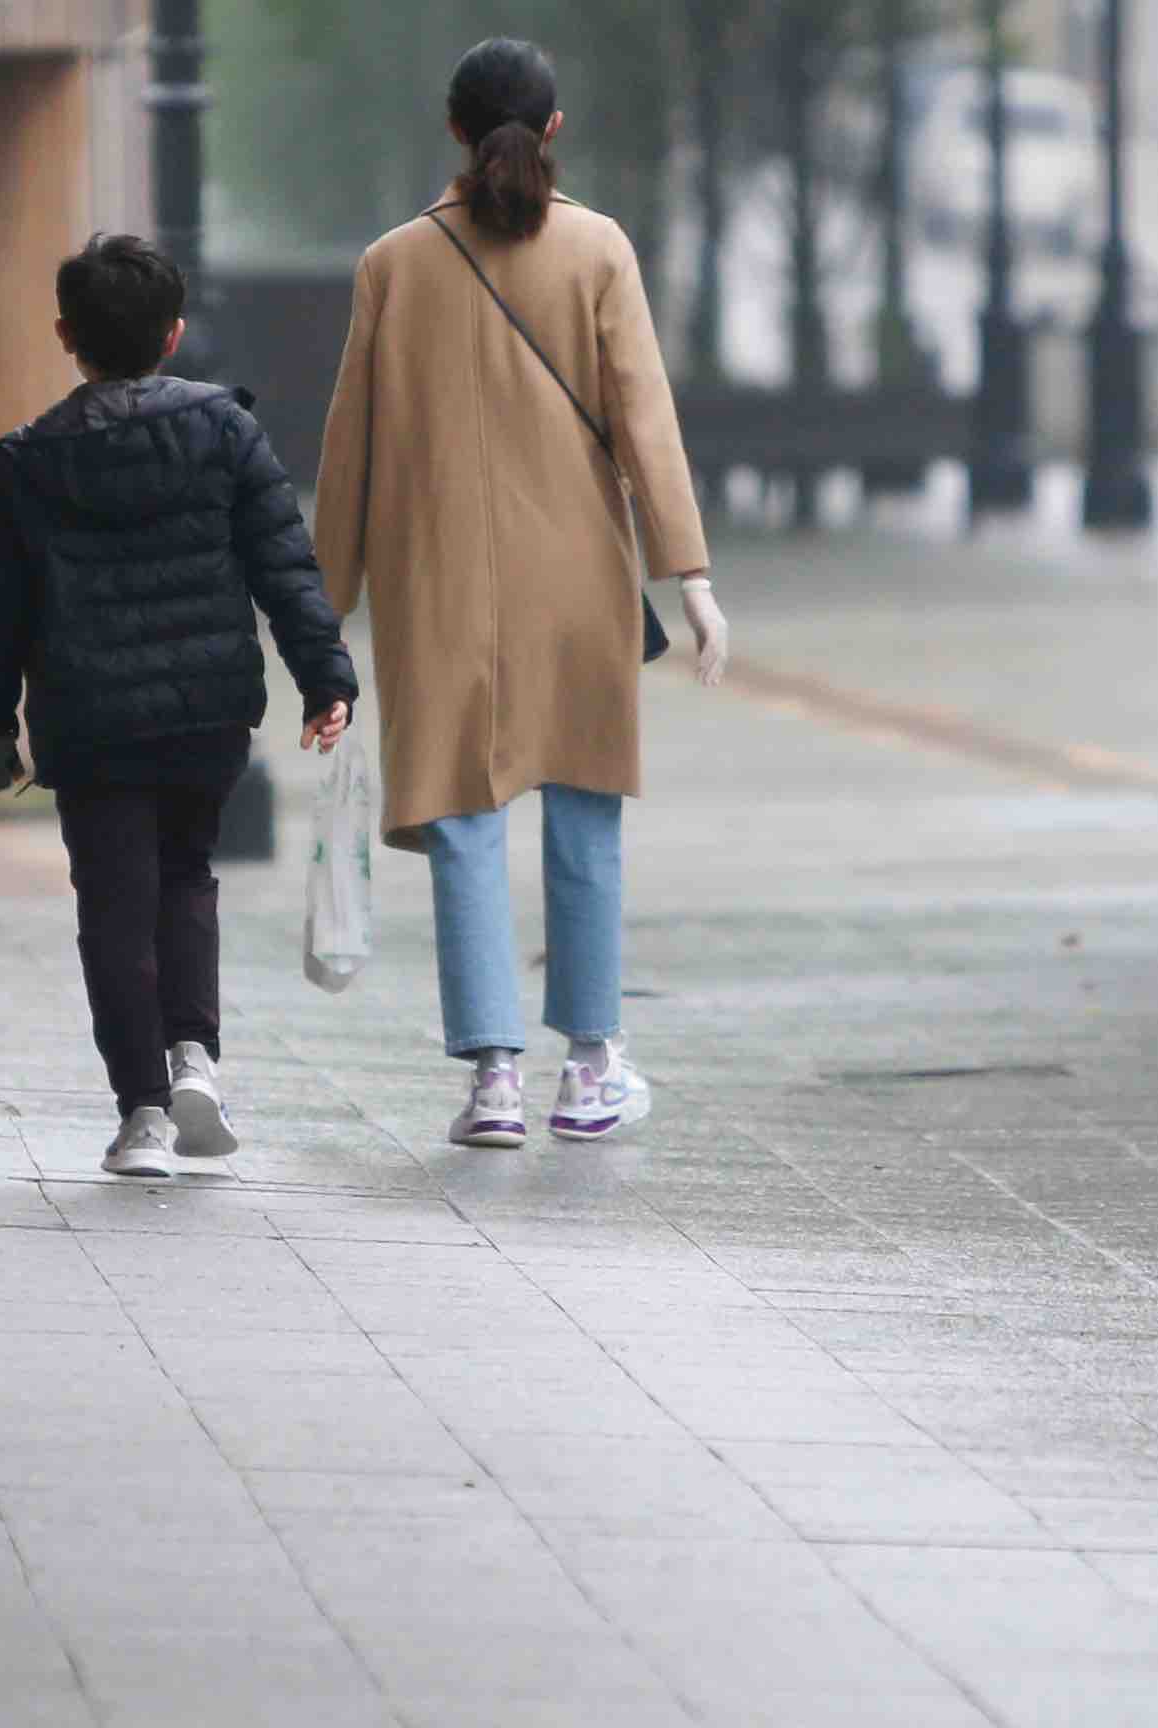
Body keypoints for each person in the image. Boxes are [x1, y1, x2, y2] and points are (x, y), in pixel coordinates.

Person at [313, 38, 732, 1150]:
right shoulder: (598, 249)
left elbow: (349, 448)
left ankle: (493, 1078)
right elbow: (646, 421)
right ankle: (590, 1068)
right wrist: (689, 577)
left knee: (461, 818)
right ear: (552, 131)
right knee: (586, 812)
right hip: (578, 583)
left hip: (434, 583)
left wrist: (325, 609)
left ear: (456, 132)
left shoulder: (393, 264)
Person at [0, 234, 358, 1182]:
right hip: (206, 711)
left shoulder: (27, 463)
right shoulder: (227, 431)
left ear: (66, 335)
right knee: (187, 876)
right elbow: (282, 563)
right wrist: (325, 678)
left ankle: (142, 1113)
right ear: (175, 335)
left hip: (90, 723)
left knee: (113, 909)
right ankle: (195, 1059)